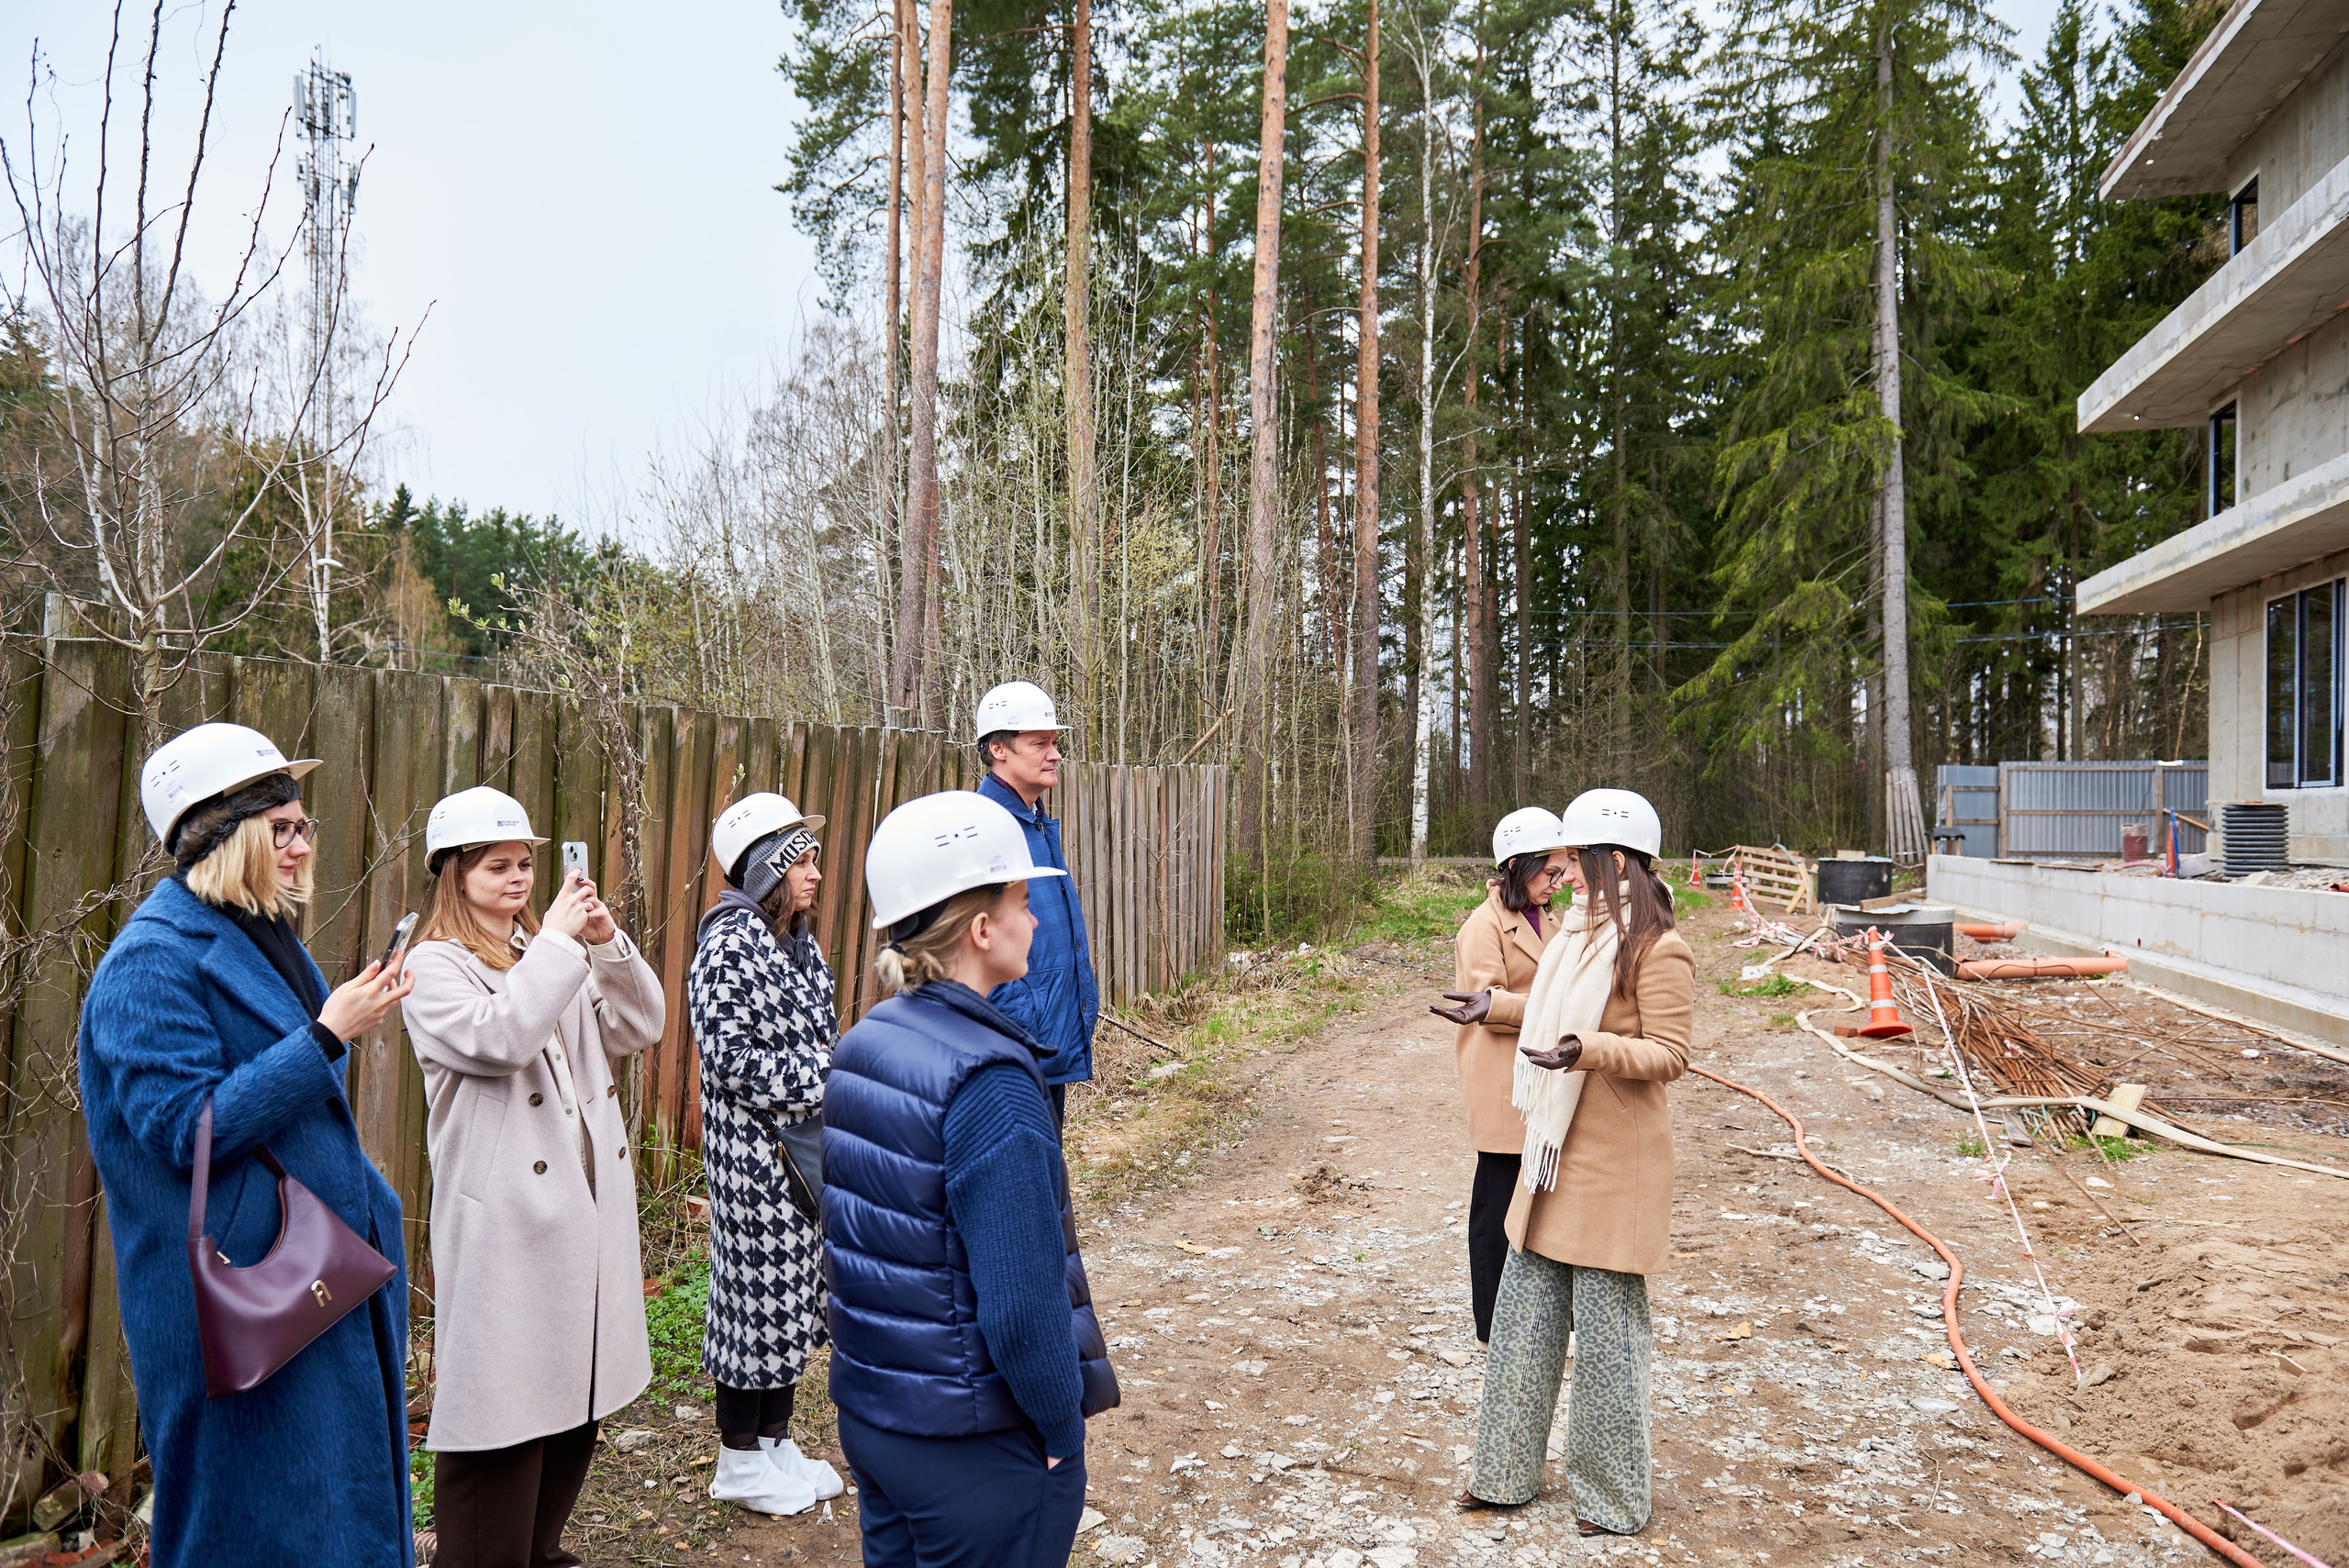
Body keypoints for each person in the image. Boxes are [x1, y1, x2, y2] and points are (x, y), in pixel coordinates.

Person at [79, 722, 416, 1567]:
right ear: (222, 836)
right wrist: (326, 1036)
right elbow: (186, 1128)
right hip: (241, 1305)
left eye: (305, 826)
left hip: (312, 1282)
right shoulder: (148, 963)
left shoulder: (257, 937)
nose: (303, 846)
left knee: (334, 1517)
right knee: (249, 1528)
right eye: (284, 828)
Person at [824, 790, 1120, 1568]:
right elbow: (1022, 1306)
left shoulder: (866, 1041)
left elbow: (866, 1247)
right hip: (974, 1447)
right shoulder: (990, 1080)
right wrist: (1062, 1429)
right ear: (982, 928)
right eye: (1024, 898)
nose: (1035, 918)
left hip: (878, 1420)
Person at [399, 785, 665, 1568]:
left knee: (573, 1402)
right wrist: (555, 942)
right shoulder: (433, 965)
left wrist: (607, 942)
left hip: (579, 1212)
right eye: (495, 865)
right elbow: (503, 1035)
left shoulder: (538, 950)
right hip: (507, 1223)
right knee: (500, 1420)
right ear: (452, 872)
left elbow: (638, 1024)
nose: (517, 877)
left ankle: (540, 1551)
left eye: (524, 863)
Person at [1457, 788, 1693, 1538]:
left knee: (1608, 1345)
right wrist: (1491, 1007)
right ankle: (1501, 1476)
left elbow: (1670, 1054)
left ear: (1616, 860)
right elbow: (1557, 1011)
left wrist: (1587, 1052)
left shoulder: (1659, 947)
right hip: (1551, 1157)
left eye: (1579, 859)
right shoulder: (1574, 936)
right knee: (1522, 1325)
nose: (1568, 872)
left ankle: (1612, 1499)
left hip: (1614, 1169)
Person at [686, 793, 844, 1516]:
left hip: (799, 1154)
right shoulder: (729, 941)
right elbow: (728, 1058)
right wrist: (824, 1077)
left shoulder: (795, 939)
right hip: (753, 1160)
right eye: (801, 860)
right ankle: (737, 1455)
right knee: (753, 1303)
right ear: (766, 867)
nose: (815, 871)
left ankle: (775, 1440)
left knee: (791, 1304)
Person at [1431, 806, 1574, 1343]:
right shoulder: (1483, 927)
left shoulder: (1552, 920)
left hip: (1542, 1076)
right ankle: (1492, 1320)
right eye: (1548, 873)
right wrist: (1561, 1005)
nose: (1556, 884)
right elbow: (1486, 1006)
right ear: (1516, 865)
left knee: (1543, 1197)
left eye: (1561, 874)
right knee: (1496, 1202)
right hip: (1501, 1081)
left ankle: (1543, 1313)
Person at [971, 679, 1098, 1124]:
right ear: (998, 749)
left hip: (1044, 1036)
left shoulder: (1035, 822)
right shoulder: (984, 828)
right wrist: (1019, 1021)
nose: (1055, 753)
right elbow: (973, 947)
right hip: (1014, 1045)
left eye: (1055, 742)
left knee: (1046, 1174)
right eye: (1040, 743)